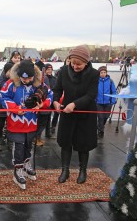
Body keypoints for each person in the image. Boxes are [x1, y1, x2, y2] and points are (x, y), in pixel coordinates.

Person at [0, 59, 53, 189]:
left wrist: (42, 104)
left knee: (28, 145)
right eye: (24, 78)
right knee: (18, 147)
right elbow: (2, 96)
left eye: (29, 78)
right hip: (16, 122)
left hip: (32, 122)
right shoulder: (11, 84)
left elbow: (50, 95)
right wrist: (15, 108)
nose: (27, 81)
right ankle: (18, 170)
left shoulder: (38, 84)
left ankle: (26, 164)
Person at [52, 45, 98, 184]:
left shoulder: (94, 74)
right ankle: (64, 170)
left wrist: (75, 104)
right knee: (66, 142)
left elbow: (91, 95)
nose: (76, 66)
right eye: (73, 63)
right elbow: (57, 89)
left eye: (79, 64)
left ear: (86, 62)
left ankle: (82, 171)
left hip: (86, 113)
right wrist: (55, 102)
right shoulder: (64, 71)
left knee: (83, 144)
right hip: (67, 112)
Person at [0, 62, 14, 151]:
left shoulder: (14, 81)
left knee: (10, 124)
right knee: (0, 124)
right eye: (10, 71)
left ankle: (9, 140)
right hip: (2, 106)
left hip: (10, 107)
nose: (11, 73)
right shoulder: (0, 80)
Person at [96, 66, 117, 138]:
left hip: (108, 102)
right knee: (100, 117)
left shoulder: (110, 81)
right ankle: (100, 131)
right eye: (101, 72)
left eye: (104, 72)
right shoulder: (96, 81)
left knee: (106, 117)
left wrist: (113, 100)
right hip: (98, 103)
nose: (103, 74)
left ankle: (100, 126)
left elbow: (114, 91)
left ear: (106, 73)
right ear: (99, 73)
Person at [43, 63, 57, 138]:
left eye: (51, 70)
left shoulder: (54, 79)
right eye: (48, 69)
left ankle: (48, 133)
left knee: (49, 117)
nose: (49, 71)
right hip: (45, 100)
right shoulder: (43, 78)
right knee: (44, 118)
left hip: (52, 99)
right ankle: (38, 135)